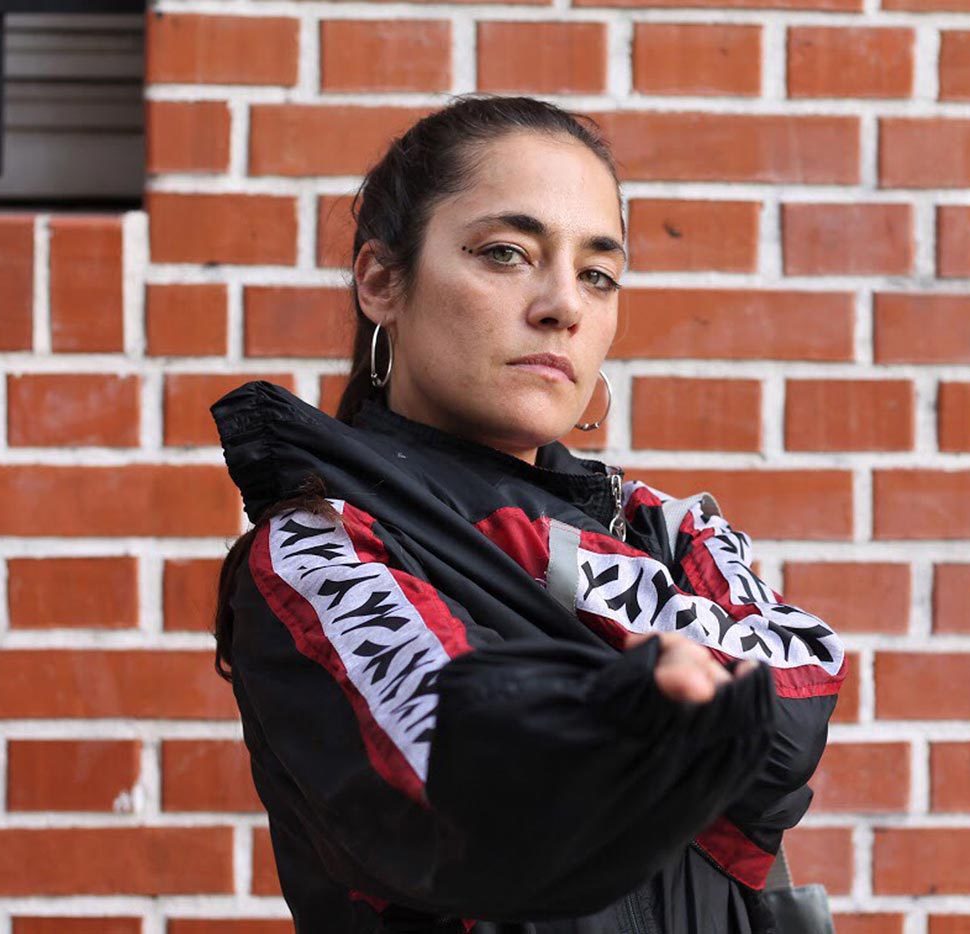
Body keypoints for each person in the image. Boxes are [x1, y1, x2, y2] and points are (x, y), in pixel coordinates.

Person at [208, 94, 848, 934]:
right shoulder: (321, 548)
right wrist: (632, 698)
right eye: (506, 253)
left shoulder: (663, 526)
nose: (563, 306)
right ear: (380, 281)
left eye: (597, 274)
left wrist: (558, 575)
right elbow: (465, 783)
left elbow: (790, 718)